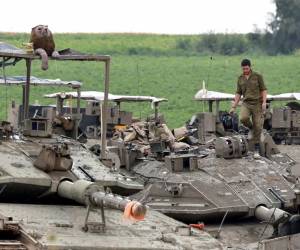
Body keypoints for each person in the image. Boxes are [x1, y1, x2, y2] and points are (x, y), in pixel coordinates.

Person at [230, 59, 267, 158]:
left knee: (258, 126)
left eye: (246, 68)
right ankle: (251, 128)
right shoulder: (240, 78)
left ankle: (256, 150)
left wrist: (264, 102)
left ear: (250, 67)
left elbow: (263, 90)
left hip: (257, 104)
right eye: (243, 68)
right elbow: (238, 93)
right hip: (246, 103)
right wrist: (233, 106)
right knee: (243, 118)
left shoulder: (257, 76)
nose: (245, 70)